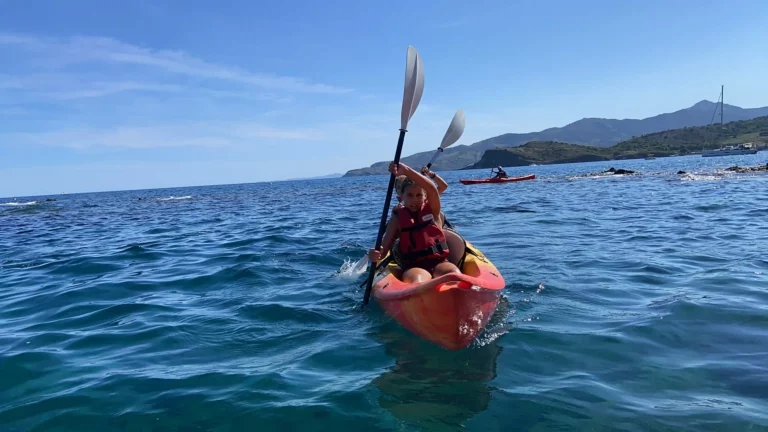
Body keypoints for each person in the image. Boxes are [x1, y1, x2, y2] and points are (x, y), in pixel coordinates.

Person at [369, 162, 460, 283]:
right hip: (414, 267)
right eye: (409, 195)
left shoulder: (433, 210)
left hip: (440, 262)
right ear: (401, 196)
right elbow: (384, 250)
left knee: (454, 274)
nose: (414, 200)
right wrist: (375, 254)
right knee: (417, 281)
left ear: (425, 196)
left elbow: (432, 189)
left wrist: (407, 170)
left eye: (419, 195)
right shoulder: (397, 219)